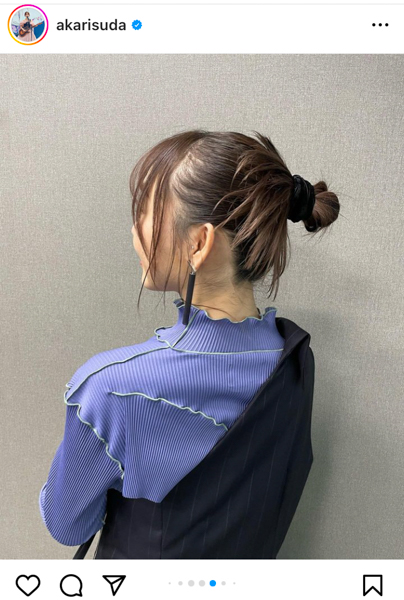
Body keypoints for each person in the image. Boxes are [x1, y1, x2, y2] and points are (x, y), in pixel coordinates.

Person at [38, 130, 340, 559]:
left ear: (198, 243)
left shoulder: (111, 390)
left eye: (146, 212)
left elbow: (67, 524)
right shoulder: (295, 362)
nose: (134, 229)